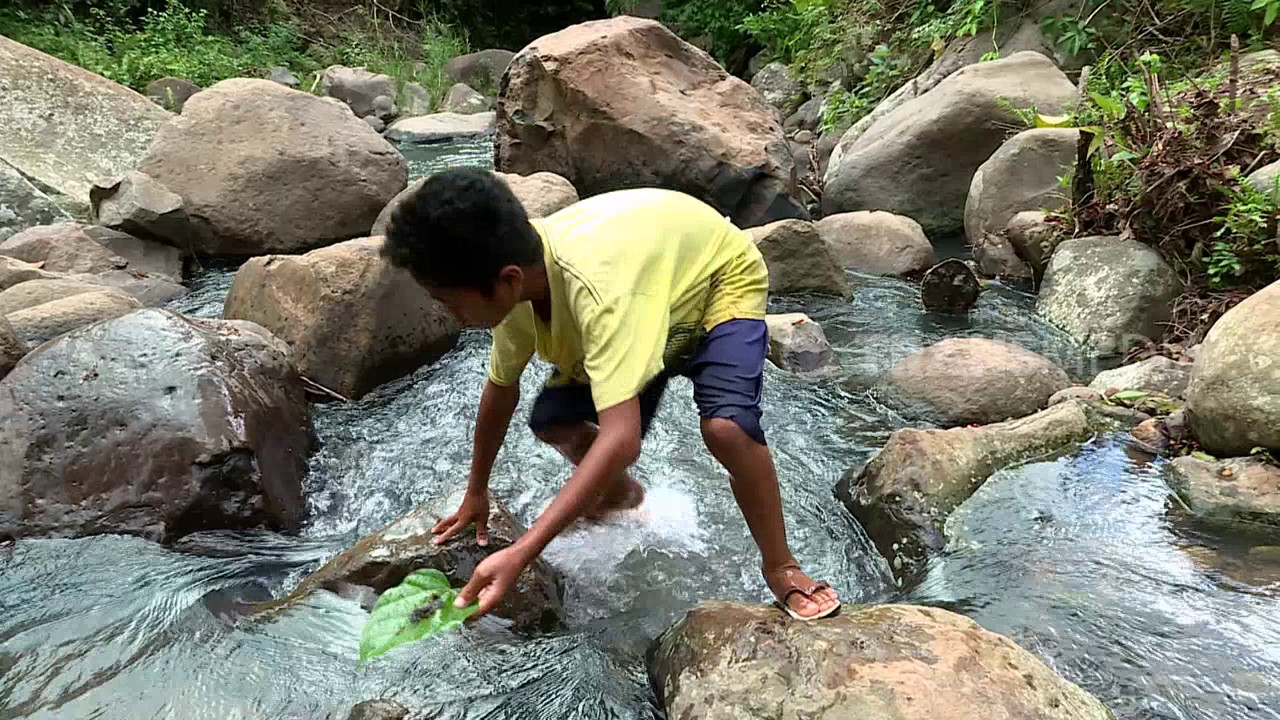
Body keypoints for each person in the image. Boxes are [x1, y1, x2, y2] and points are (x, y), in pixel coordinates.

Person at [381, 168, 841, 622]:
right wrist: (476, 492)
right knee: (553, 421)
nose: (452, 316)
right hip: (647, 296)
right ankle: (621, 497)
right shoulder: (520, 286)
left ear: (508, 280)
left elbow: (622, 439)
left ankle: (782, 566)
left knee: (726, 428)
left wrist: (523, 550)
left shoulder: (596, 292)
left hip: (714, 281)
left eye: (451, 303)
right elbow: (501, 390)